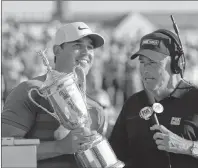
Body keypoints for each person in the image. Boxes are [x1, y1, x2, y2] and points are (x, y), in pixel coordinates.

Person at [2, 22, 107, 168]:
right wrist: (59, 147)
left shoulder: (96, 109)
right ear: (57, 50)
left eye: (90, 47)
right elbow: (4, 154)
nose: (86, 52)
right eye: (77, 45)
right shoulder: (30, 91)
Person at [109, 29, 198, 168]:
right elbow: (114, 156)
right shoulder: (133, 103)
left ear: (176, 64)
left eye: (152, 62)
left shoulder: (195, 99)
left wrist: (186, 146)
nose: (145, 69)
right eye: (142, 63)